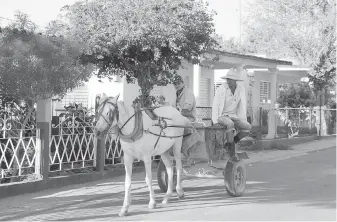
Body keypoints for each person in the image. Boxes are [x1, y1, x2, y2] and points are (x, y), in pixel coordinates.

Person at [212, 68, 252, 158]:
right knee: (230, 124)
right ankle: (230, 147)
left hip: (234, 116)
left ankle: (231, 142)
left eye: (230, 79)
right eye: (227, 79)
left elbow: (242, 105)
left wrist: (242, 118)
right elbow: (215, 105)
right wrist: (215, 121)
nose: (228, 81)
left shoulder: (240, 89)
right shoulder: (221, 89)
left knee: (248, 127)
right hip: (222, 115)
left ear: (235, 81)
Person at [172, 75, 202, 161]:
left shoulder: (188, 92)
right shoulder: (177, 93)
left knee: (179, 126)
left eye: (178, 83)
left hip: (188, 117)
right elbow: (173, 106)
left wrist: (177, 111)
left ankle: (186, 147)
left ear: (182, 83)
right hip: (178, 117)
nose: (176, 85)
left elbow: (187, 108)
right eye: (175, 84)